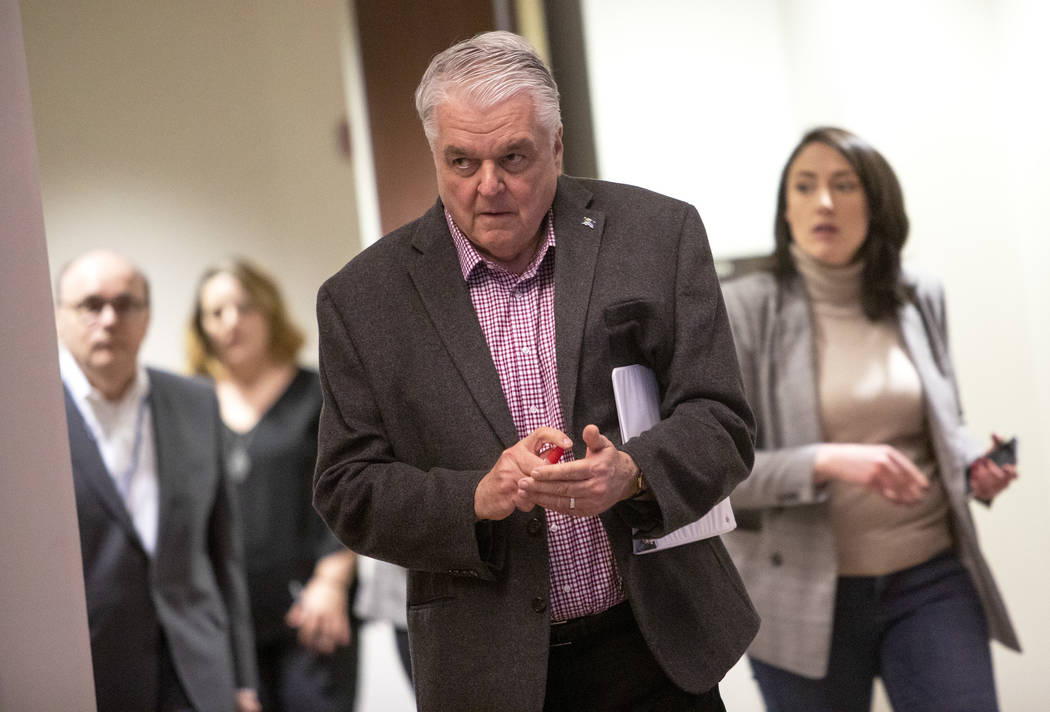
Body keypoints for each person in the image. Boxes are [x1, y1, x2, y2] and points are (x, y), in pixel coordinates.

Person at [313, 30, 758, 712]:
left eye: (513, 157)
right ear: (434, 152)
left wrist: (632, 472)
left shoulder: (655, 236)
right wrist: (474, 498)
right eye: (460, 161)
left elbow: (720, 423)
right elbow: (347, 488)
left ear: (555, 145)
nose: (487, 186)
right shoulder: (364, 301)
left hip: (653, 645)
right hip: (486, 668)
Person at [720, 126, 1021, 711]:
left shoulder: (917, 294)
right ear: (786, 209)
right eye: (804, 186)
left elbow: (944, 426)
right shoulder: (744, 308)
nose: (823, 202)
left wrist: (974, 467)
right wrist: (828, 462)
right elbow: (717, 474)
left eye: (843, 184)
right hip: (803, 598)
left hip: (930, 579)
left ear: (876, 203)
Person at [55, 250, 260, 712]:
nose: (108, 319)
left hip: (196, 673)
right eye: (91, 305)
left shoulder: (196, 402)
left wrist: (244, 679)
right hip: (91, 675)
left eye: (126, 304)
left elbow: (223, 552)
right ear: (59, 317)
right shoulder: (28, 418)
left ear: (146, 317)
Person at [186, 258, 359, 712]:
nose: (231, 322)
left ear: (269, 313)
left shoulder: (318, 395)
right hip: (227, 626)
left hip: (311, 612)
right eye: (215, 313)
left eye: (244, 307)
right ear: (201, 327)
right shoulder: (191, 407)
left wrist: (333, 581)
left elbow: (350, 488)